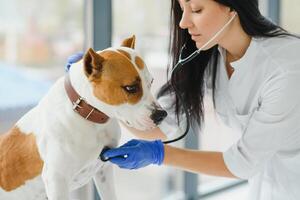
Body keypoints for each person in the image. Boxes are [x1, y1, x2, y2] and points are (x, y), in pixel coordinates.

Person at [67, 0, 300, 199]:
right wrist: (102, 96)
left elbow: (242, 163)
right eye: (182, 9)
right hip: (267, 186)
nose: (183, 22)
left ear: (233, 7)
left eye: (196, 9)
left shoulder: (287, 69)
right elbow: (161, 125)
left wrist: (159, 155)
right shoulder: (213, 55)